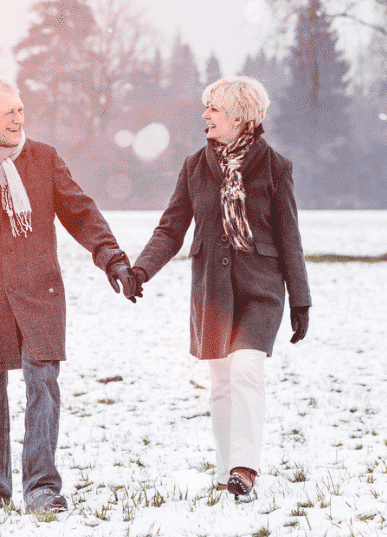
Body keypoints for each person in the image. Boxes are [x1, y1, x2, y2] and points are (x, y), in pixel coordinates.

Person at [0, 77, 139, 515]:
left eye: (20, 110)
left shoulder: (43, 160)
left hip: (40, 294)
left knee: (44, 388)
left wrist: (111, 257)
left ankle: (41, 489)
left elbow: (81, 212)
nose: (18, 119)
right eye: (8, 113)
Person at [130, 76, 311, 502]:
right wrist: (141, 270)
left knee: (246, 368)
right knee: (222, 381)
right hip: (212, 288)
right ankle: (226, 466)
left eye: (214, 109)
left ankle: (244, 468)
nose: (205, 116)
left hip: (262, 287)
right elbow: (171, 227)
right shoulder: (195, 166)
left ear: (240, 115)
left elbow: (290, 237)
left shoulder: (274, 166)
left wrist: (301, 300)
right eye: (206, 108)